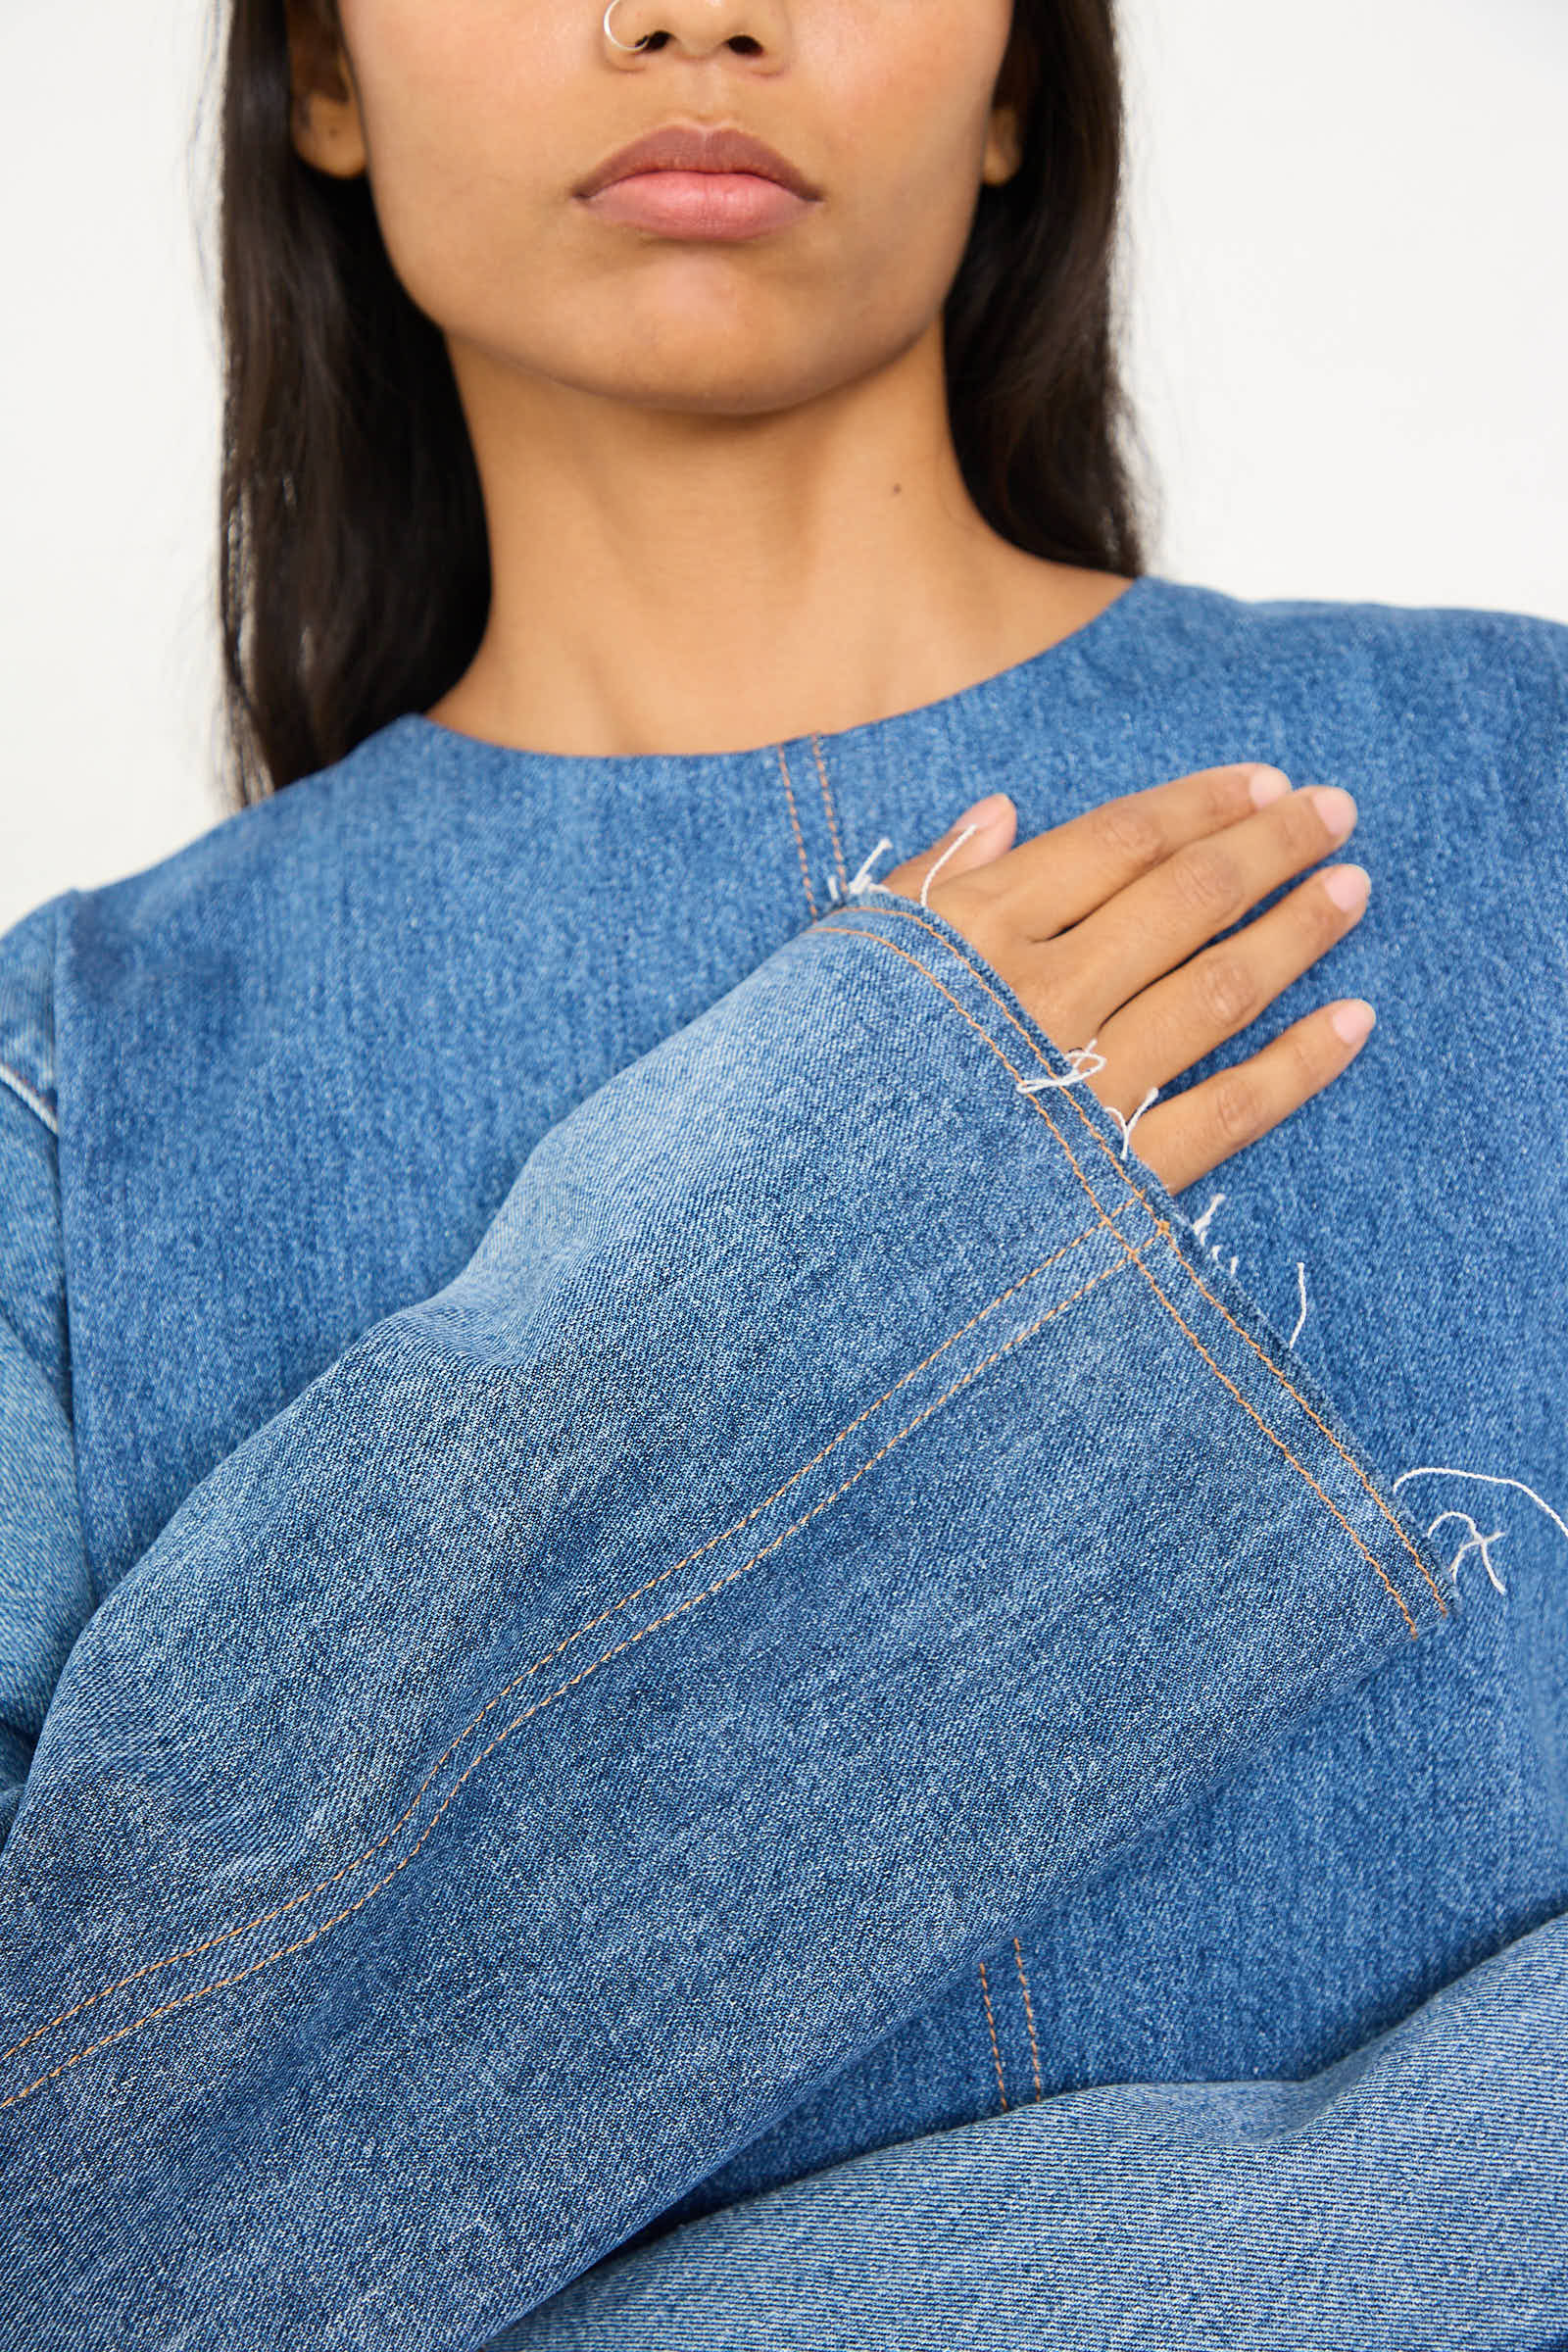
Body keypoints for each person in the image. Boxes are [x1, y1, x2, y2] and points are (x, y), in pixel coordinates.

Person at [0, 2, 1563, 2344]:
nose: (688, 11)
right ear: (319, 77)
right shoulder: (74, 1106)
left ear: (1020, 74)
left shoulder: (1521, 795)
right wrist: (847, 1222)